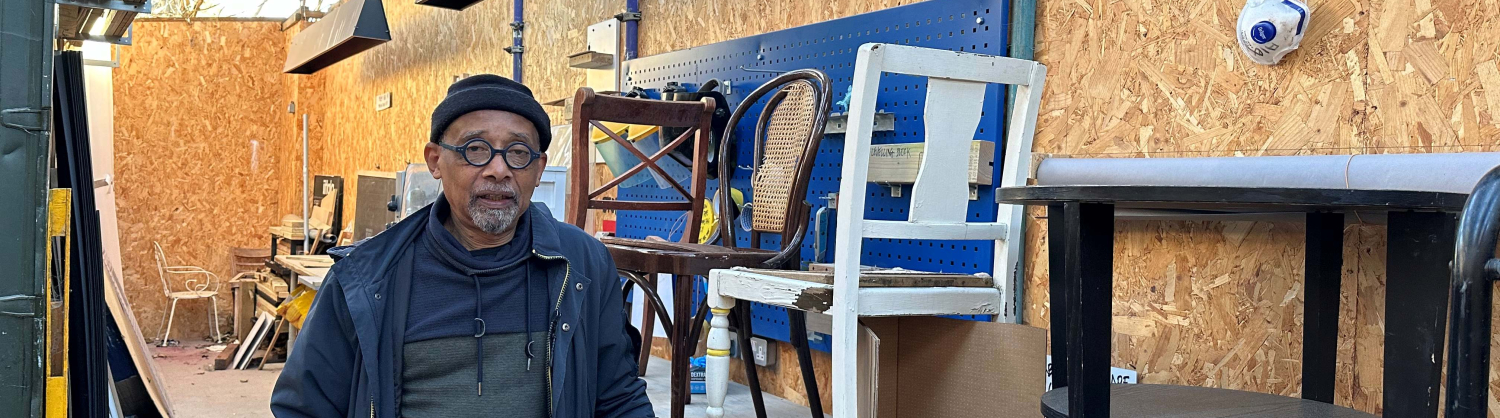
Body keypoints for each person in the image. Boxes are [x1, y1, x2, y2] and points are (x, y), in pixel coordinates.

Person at [271, 74, 653, 418]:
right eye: (475, 148)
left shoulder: (582, 265)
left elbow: (619, 399)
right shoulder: (368, 278)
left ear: (538, 170)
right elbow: (302, 408)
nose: (499, 170)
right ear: (436, 161)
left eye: (518, 153)